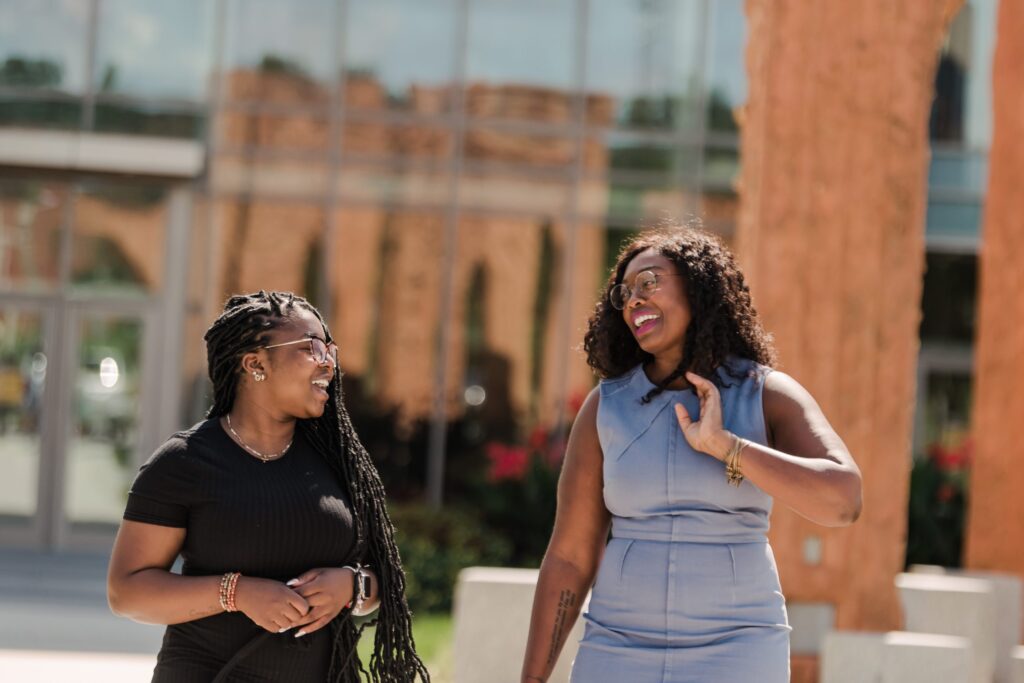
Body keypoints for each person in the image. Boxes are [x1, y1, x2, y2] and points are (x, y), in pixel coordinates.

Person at [521, 227, 862, 682]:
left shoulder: (766, 394)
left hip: (737, 653)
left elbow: (843, 500)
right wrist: (532, 679)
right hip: (618, 650)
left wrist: (728, 447)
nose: (633, 301)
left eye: (650, 282)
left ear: (698, 288)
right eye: (624, 294)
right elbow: (570, 557)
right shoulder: (606, 407)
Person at [107, 291, 429, 682]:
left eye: (330, 349)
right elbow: (127, 592)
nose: (328, 362)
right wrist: (236, 593)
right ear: (255, 363)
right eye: (311, 347)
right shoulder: (184, 462)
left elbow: (382, 578)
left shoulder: (338, 462)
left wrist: (352, 586)